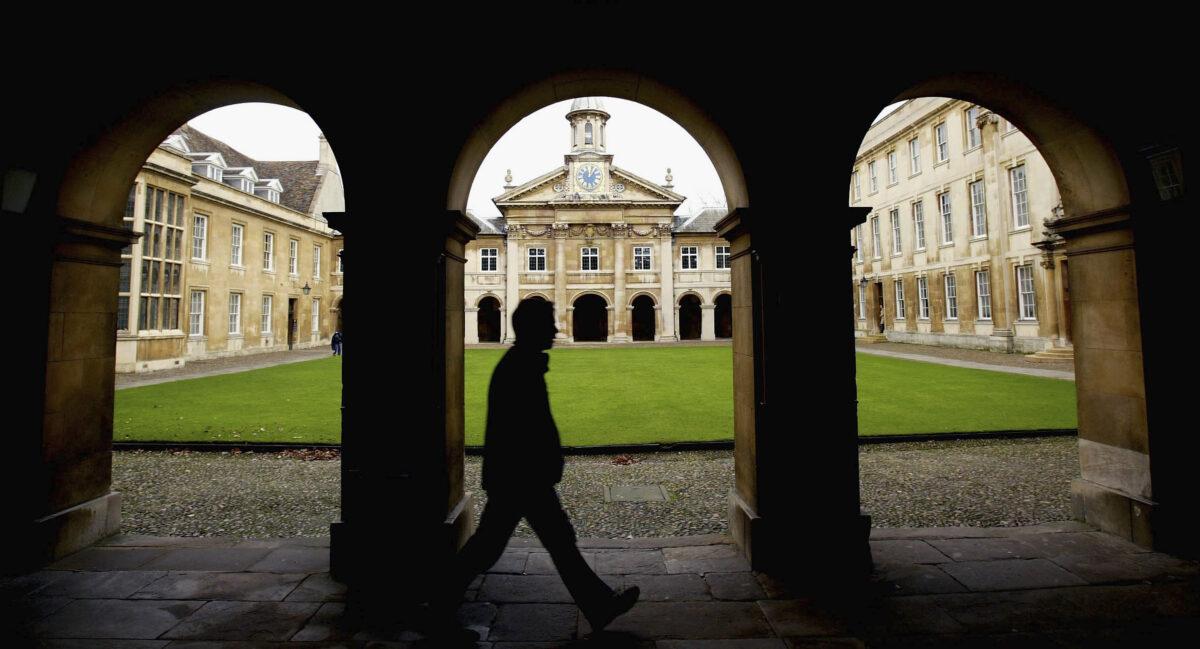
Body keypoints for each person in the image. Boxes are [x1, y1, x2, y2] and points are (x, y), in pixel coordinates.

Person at [430, 298, 639, 643]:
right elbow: (524, 428)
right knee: (494, 547)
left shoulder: (522, 362)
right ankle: (437, 606)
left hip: (520, 475)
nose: (557, 329)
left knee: (553, 541)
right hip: (520, 477)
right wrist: (545, 461)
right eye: (549, 324)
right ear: (532, 328)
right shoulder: (520, 367)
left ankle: (599, 604)